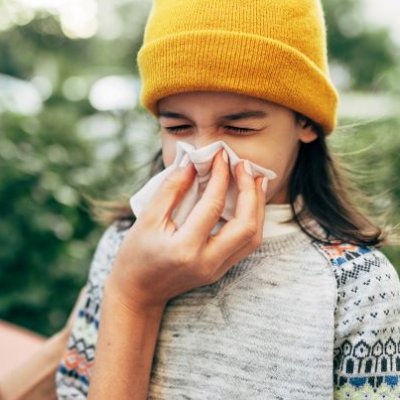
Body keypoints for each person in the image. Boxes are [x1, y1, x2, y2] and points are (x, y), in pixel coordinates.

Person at [55, 0, 400, 399]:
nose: (205, 156)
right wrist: (130, 293)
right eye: (179, 127)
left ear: (305, 121)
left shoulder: (356, 283)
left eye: (239, 128)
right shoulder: (125, 246)